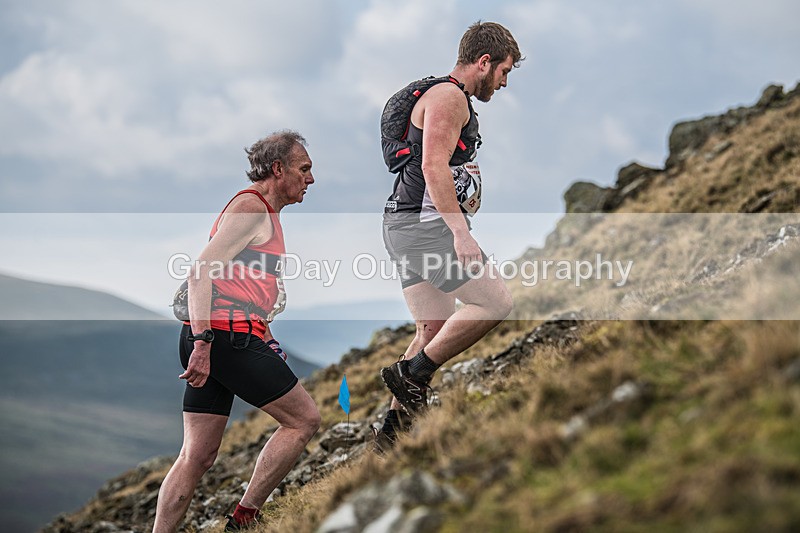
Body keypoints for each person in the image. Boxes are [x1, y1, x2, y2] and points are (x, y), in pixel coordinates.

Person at [153, 131, 321, 532]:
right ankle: (244, 520)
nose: (311, 179)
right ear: (278, 169)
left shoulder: (262, 211)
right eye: (305, 169)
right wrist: (203, 344)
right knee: (304, 420)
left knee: (197, 455)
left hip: (220, 336)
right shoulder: (252, 207)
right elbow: (199, 274)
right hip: (222, 338)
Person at [376, 22, 522, 450]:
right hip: (425, 228)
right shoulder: (449, 97)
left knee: (432, 329)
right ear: (483, 62)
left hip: (405, 225)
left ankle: (391, 436)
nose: (504, 82)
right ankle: (412, 374)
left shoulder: (445, 96)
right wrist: (461, 233)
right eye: (504, 71)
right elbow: (433, 167)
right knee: (495, 301)